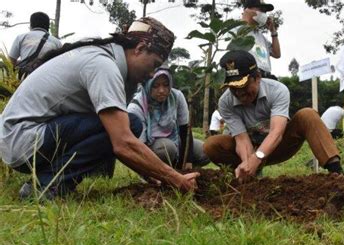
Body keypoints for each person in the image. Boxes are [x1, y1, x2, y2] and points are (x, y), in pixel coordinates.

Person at [0, 17, 199, 200]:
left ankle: (49, 181)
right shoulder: (103, 65)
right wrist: (173, 177)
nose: (152, 74)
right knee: (130, 125)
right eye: (154, 64)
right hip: (22, 140)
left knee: (129, 124)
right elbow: (122, 143)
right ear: (139, 48)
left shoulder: (115, 66)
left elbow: (121, 139)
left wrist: (151, 174)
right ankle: (47, 186)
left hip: (26, 139)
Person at [203, 50, 342, 182]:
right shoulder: (225, 103)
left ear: (257, 78)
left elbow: (277, 133)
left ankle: (337, 173)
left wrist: (258, 157)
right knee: (211, 144)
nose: (240, 94)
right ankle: (245, 177)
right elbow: (241, 140)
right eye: (233, 89)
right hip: (250, 147)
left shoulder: (278, 91)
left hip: (278, 146)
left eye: (244, 87)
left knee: (307, 115)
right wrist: (249, 163)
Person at [127, 68, 209, 169]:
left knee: (205, 151)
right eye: (155, 86)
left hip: (174, 139)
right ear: (148, 85)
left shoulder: (176, 97)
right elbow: (140, 145)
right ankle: (158, 172)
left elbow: (185, 130)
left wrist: (187, 161)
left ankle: (179, 170)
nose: (161, 90)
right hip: (150, 146)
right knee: (167, 148)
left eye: (166, 85)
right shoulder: (137, 106)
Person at [241, 0, 280, 80]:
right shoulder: (237, 30)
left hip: (266, 77)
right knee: (282, 90)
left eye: (265, 12)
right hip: (250, 77)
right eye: (261, 10)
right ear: (248, 10)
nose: (264, 14)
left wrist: (273, 31)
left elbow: (277, 54)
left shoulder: (260, 36)